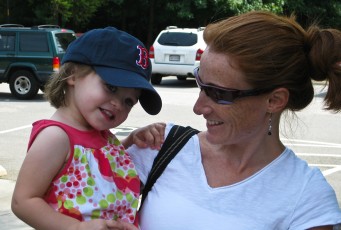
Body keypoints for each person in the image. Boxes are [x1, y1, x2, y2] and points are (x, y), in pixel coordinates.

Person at [126, 11, 341, 229]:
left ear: (275, 100)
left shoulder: (308, 199)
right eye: (201, 83)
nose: (198, 108)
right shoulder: (160, 145)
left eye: (220, 94)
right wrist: (116, 149)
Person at [11, 27, 165, 230]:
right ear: (73, 74)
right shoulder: (56, 137)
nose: (118, 104)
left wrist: (130, 141)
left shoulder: (101, 134)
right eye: (111, 87)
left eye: (128, 101)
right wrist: (77, 228)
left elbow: (97, 166)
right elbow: (23, 201)